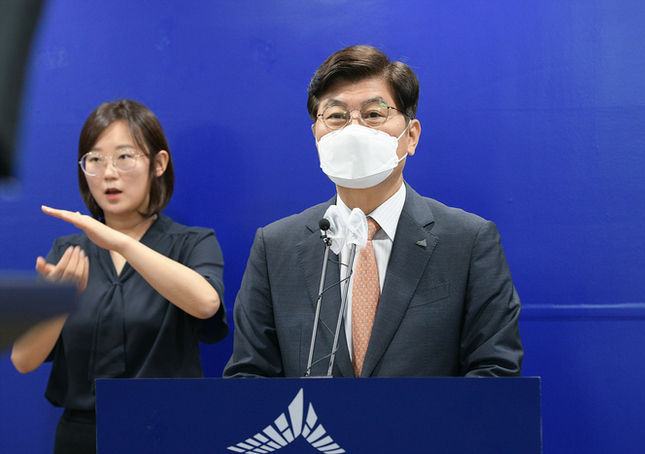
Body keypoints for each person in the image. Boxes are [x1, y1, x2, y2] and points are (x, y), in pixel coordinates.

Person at [224, 45, 523, 379]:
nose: (354, 130)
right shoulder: (276, 247)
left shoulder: (468, 242)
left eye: (373, 114)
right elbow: (249, 379)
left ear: (411, 136)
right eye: (336, 116)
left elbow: (495, 372)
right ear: (316, 137)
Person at [10, 99, 229, 454]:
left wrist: (121, 243)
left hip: (168, 432)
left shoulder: (192, 243)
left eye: (124, 156)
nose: (108, 173)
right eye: (94, 160)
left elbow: (206, 303)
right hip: (82, 436)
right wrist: (58, 301)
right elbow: (23, 360)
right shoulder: (67, 251)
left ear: (158, 163)